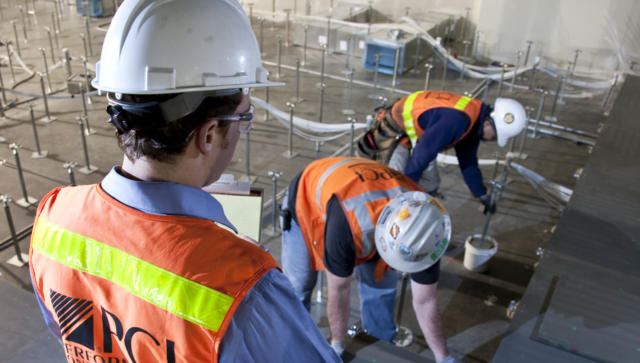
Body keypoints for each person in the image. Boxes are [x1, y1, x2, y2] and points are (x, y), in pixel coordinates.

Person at [28, 1, 339, 362]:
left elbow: (66, 334)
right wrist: (241, 270)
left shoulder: (53, 218)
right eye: (243, 117)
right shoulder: (244, 288)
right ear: (208, 135)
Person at [280, 157, 462, 363]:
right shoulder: (348, 225)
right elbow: (339, 290)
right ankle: (293, 347)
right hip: (308, 197)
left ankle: (379, 345)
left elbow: (426, 299)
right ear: (385, 241)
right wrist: (337, 347)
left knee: (381, 290)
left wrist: (443, 357)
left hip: (367, 204)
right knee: (299, 286)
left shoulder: (429, 231)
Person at [358, 91, 526, 213]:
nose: (491, 140)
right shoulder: (457, 121)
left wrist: (481, 194)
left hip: (419, 135)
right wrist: (405, 192)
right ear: (490, 124)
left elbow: (468, 162)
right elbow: (422, 155)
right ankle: (382, 222)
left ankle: (416, 209)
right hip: (397, 129)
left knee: (430, 183)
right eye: (494, 136)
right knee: (394, 184)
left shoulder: (475, 120)